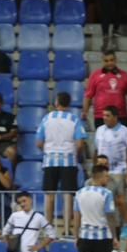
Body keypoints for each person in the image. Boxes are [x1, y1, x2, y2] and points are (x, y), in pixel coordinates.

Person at [40, 92, 86, 225]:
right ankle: (67, 227)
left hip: (50, 160)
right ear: (69, 104)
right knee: (68, 195)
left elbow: (38, 142)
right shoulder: (74, 119)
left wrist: (48, 151)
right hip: (69, 161)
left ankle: (49, 227)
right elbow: (79, 143)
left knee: (49, 195)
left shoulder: (46, 118)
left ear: (56, 102)